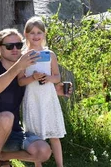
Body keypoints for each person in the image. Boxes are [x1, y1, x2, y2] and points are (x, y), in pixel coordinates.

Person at [0, 28, 55, 167]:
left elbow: (36, 90)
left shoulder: (24, 71)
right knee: (6, 117)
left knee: (44, 151)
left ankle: (3, 156)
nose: (15, 49)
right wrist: (18, 67)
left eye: (18, 45)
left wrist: (60, 90)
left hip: (13, 132)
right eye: (9, 46)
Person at [18, 17, 66, 167]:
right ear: (26, 35)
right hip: (32, 98)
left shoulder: (50, 54)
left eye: (39, 32)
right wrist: (33, 77)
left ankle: (60, 165)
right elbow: (20, 81)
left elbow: (57, 77)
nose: (36, 35)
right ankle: (38, 165)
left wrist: (48, 78)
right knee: (36, 136)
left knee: (54, 136)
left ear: (44, 34)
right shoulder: (23, 56)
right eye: (32, 33)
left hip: (48, 98)